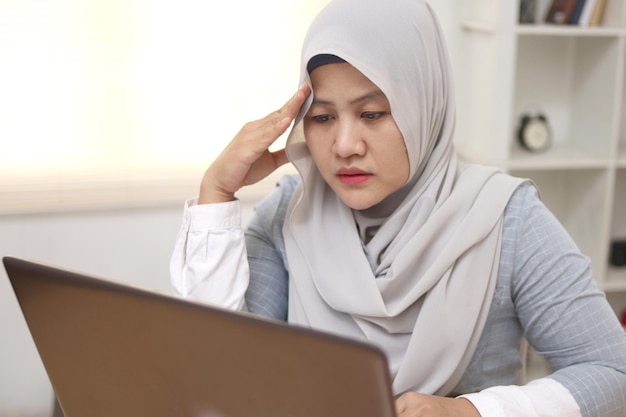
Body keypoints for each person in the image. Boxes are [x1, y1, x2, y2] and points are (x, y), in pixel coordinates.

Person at [170, 0, 626, 416]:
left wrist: (472, 411)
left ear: (423, 106)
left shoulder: (506, 218)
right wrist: (216, 194)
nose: (345, 146)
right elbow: (224, 374)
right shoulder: (290, 212)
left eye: (372, 113)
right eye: (323, 117)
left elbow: (611, 373)